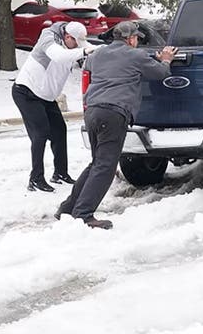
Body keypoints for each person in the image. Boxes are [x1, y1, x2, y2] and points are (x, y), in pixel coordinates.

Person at [55, 21, 178, 229]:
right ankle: (83, 214)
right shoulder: (135, 55)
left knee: (97, 163)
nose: (137, 42)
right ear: (130, 39)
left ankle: (67, 208)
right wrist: (165, 60)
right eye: (137, 38)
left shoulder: (96, 55)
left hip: (92, 111)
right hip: (113, 113)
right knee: (105, 167)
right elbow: (160, 74)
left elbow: (107, 67)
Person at [12, 21, 98, 192]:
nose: (77, 47)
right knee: (40, 133)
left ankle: (60, 173)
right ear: (67, 36)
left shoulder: (72, 44)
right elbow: (58, 56)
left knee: (60, 131)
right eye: (75, 43)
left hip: (46, 97)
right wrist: (82, 51)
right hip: (27, 92)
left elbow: (82, 54)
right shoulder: (48, 38)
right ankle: (35, 179)